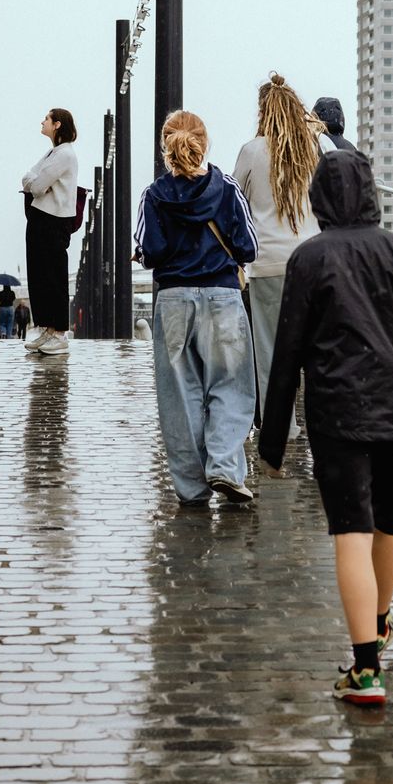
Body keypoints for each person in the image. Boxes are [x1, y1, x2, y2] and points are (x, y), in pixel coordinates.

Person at [258, 149, 393, 706]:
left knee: (351, 532)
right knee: (389, 527)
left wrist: (272, 443)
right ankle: (382, 621)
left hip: (337, 413)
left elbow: (287, 352)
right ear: (370, 194)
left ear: (318, 199)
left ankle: (367, 671)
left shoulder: (308, 258)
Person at [136, 110, 259, 507]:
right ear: (204, 144)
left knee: (179, 396)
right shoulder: (226, 188)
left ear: (165, 146)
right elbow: (249, 247)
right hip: (222, 297)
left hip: (174, 300)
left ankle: (191, 488)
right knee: (231, 385)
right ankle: (224, 467)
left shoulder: (154, 195)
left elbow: (149, 251)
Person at [232, 73, 324, 424]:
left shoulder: (252, 151)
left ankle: (282, 428)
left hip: (268, 262)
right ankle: (321, 425)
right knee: (315, 350)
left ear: (263, 111)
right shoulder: (314, 149)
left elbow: (235, 202)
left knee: (270, 353)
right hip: (313, 263)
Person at [21, 108, 79, 357]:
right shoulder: (52, 153)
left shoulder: (64, 154)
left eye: (46, 118)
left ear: (57, 124)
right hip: (42, 218)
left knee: (53, 276)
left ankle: (59, 334)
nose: (42, 121)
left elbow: (36, 186)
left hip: (54, 220)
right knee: (39, 276)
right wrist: (32, 182)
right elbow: (29, 178)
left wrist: (33, 182)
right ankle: (47, 328)